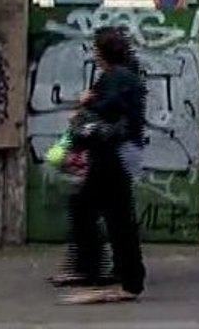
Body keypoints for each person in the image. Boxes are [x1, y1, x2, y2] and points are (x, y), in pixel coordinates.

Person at [58, 27, 147, 304]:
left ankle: (121, 278)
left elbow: (111, 109)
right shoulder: (122, 75)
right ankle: (110, 272)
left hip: (113, 153)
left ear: (102, 53)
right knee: (100, 210)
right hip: (115, 152)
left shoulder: (118, 77)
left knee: (106, 213)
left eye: (96, 50)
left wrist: (89, 102)